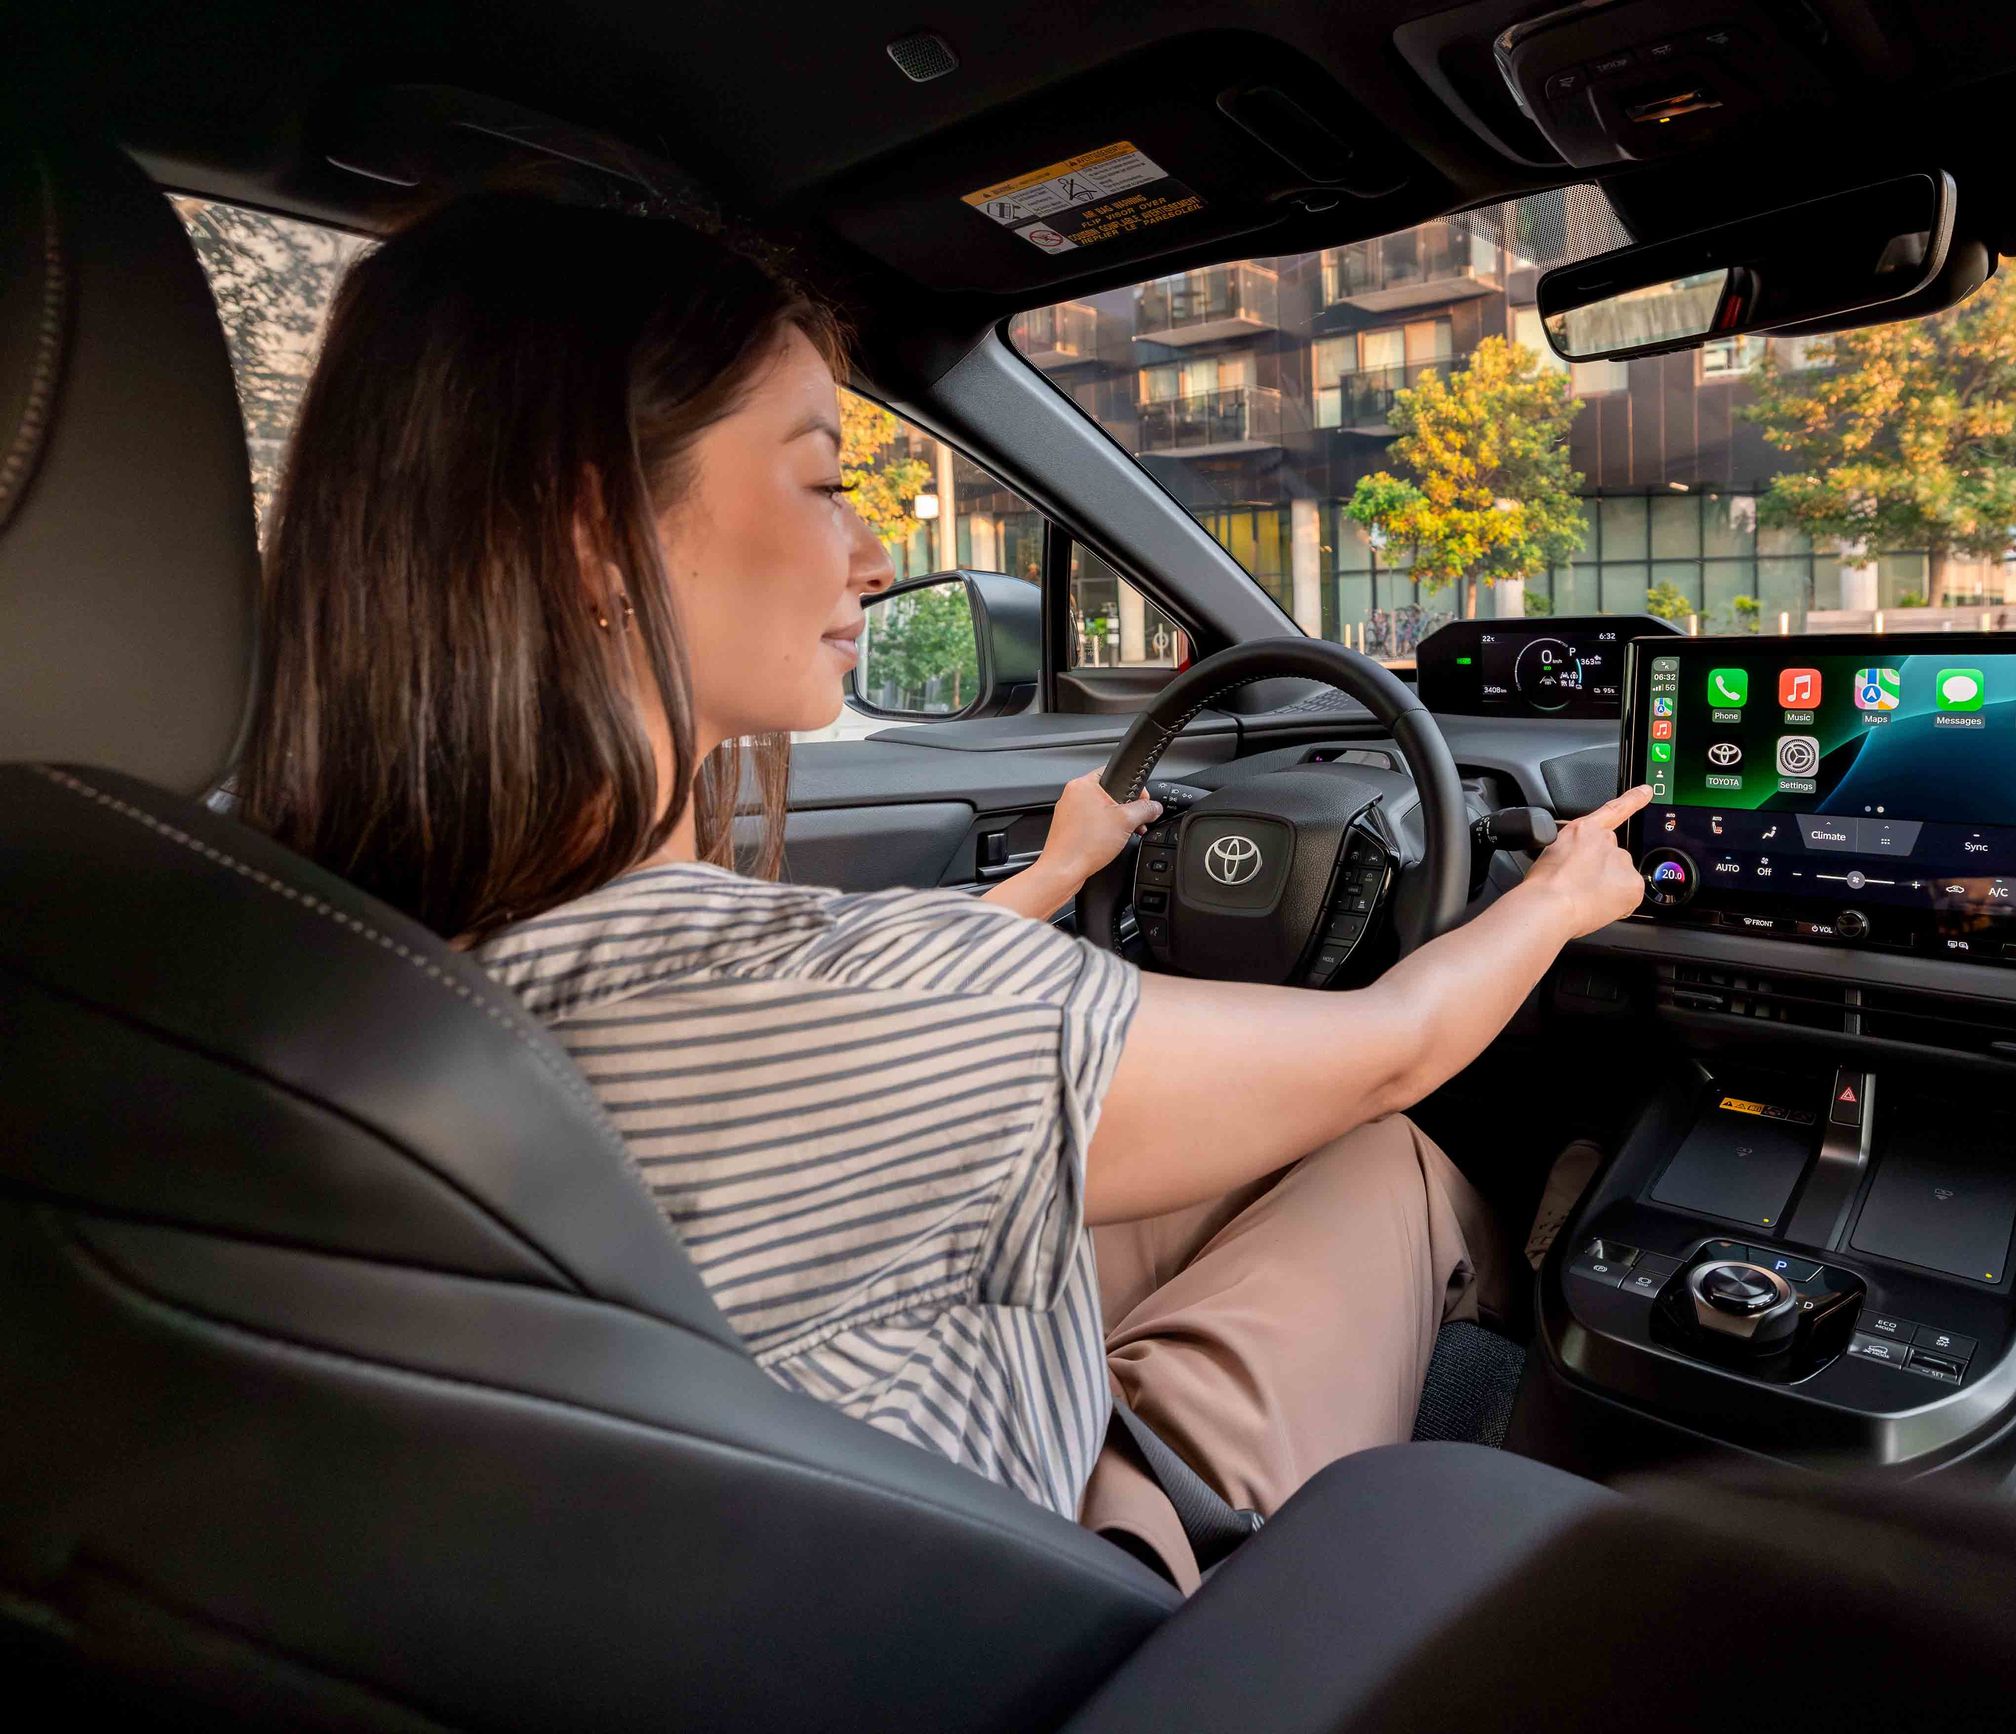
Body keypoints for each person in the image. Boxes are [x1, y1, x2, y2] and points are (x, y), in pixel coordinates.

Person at [235, 194, 1649, 1593]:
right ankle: (1540, 1373)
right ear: (600, 528)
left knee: (1231, 1166)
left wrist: (1054, 875)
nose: (875, 553)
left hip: (761, 1547)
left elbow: (867, 1019)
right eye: (823, 480)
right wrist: (1557, 898)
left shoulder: (352, 955)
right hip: (1064, 1605)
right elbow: (1389, 1047)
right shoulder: (835, 999)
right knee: (1378, 1152)